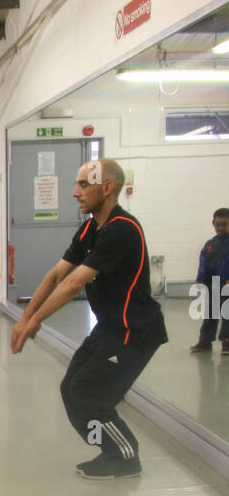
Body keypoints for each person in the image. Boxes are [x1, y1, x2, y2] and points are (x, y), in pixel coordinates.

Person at [11, 158, 168, 478]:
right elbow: (58, 274)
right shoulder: (90, 229)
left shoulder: (122, 229)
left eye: (83, 184)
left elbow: (73, 284)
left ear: (107, 187)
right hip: (109, 329)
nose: (74, 192)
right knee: (72, 389)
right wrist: (24, 317)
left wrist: (36, 320)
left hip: (134, 332)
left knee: (89, 395)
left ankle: (126, 457)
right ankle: (108, 450)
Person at [189, 207, 229, 354]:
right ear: (213, 223)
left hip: (227, 285)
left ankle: (227, 341)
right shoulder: (210, 244)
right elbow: (203, 262)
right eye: (218, 224)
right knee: (210, 313)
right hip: (213, 284)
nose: (221, 228)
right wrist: (200, 278)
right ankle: (205, 341)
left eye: (224, 224)